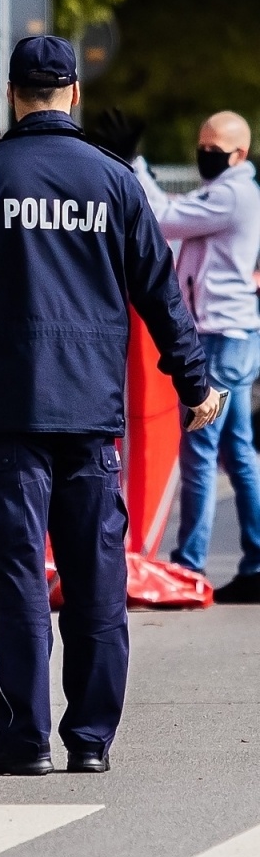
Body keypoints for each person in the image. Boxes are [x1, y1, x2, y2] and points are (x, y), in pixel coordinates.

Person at [0, 36, 221, 776]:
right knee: (96, 579)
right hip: (92, 414)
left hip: (9, 412)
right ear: (75, 94)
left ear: (13, 94)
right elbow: (160, 293)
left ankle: (24, 737)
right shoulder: (115, 182)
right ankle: (90, 741)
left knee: (18, 574)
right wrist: (196, 384)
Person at [129, 112, 260, 603]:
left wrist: (138, 167)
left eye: (214, 147)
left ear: (239, 154)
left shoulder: (232, 193)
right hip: (236, 332)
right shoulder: (234, 191)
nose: (205, 153)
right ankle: (256, 559)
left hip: (222, 337)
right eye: (201, 143)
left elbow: (165, 219)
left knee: (202, 451)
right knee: (239, 452)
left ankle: (189, 566)